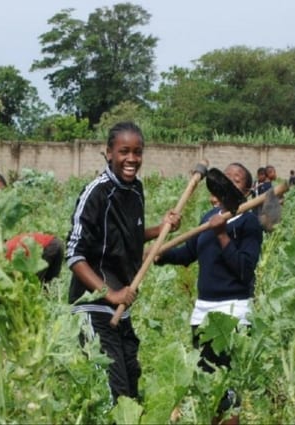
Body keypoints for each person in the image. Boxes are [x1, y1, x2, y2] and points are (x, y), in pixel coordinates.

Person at [65, 121, 180, 402]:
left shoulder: (135, 190)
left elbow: (128, 236)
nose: (131, 159)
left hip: (121, 309)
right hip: (93, 306)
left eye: (137, 152)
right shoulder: (96, 192)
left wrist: (161, 228)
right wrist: (109, 293)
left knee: (130, 394)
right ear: (108, 153)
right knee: (111, 396)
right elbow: (74, 254)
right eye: (124, 151)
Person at [155, 162, 262, 421]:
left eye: (236, 180)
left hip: (232, 312)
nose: (229, 182)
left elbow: (244, 269)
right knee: (207, 383)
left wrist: (222, 235)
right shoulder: (207, 218)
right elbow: (188, 254)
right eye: (226, 177)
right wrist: (159, 255)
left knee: (227, 387)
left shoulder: (249, 224)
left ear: (246, 191)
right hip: (203, 310)